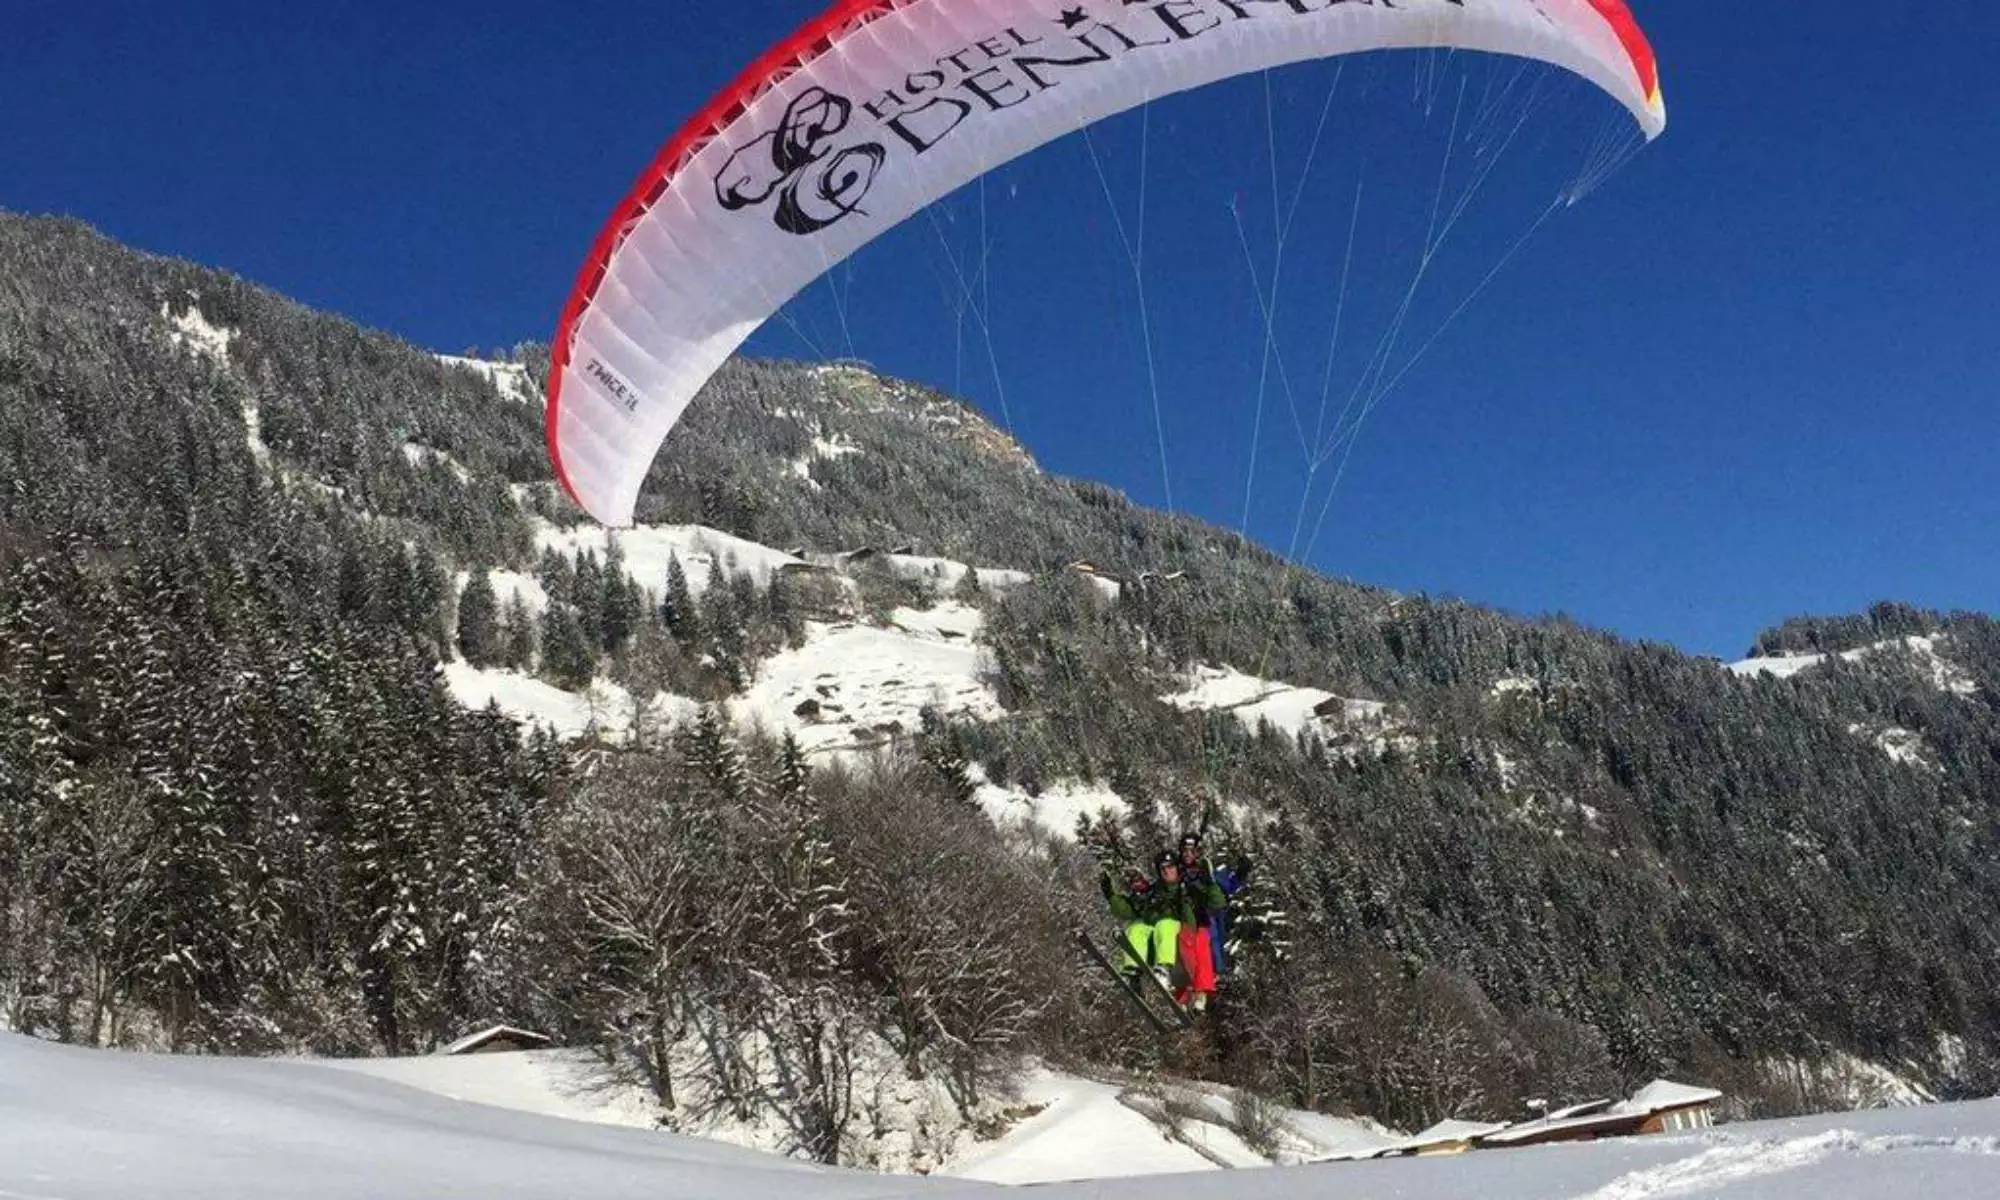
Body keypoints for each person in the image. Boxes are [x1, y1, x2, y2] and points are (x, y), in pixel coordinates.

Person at [1155, 848, 1223, 1012]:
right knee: (1180, 953)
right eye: (1163, 869)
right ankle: (1182, 997)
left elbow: (1218, 902)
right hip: (1174, 933)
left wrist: (1210, 884)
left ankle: (1200, 993)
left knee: (1200, 942)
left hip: (1193, 929)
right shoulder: (1158, 891)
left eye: (1170, 867)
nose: (1167, 872)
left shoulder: (1190, 885)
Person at [1177, 831, 1248, 979]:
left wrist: (1241, 873)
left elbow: (1228, 886)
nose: (1188, 855)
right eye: (1185, 851)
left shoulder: (1207, 872)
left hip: (1211, 917)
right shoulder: (1177, 875)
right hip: (1189, 919)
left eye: (1191, 851)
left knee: (1213, 935)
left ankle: (1218, 972)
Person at [1101, 865, 1178, 989]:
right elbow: (1123, 909)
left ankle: (1164, 968)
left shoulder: (1158, 889)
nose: (1137, 885)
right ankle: (1132, 970)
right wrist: (1110, 894)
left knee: (1164, 926)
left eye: (1138, 881)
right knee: (1135, 928)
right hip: (1151, 932)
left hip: (1170, 925)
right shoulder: (1135, 902)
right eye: (1133, 884)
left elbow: (1173, 889)